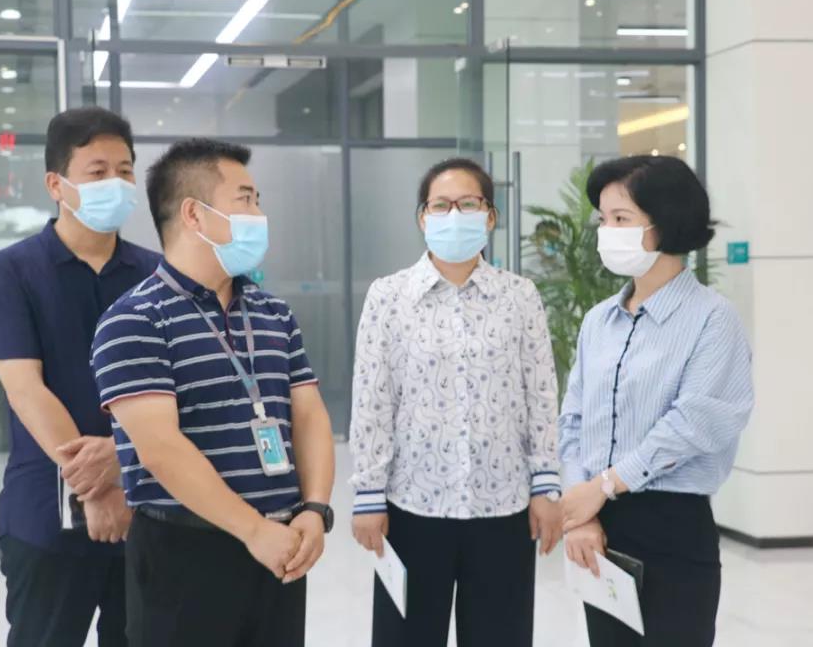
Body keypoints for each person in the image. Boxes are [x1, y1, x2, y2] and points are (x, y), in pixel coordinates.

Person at [90, 138, 335, 647]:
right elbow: (161, 449)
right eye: (245, 199)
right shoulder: (134, 320)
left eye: (258, 200)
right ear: (194, 215)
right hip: (185, 555)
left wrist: (315, 509)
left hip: (281, 547)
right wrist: (253, 531)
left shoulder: (273, 313)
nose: (259, 214)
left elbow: (309, 416)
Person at [350, 157, 562, 647]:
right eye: (441, 205)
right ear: (422, 217)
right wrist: (368, 494)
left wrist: (546, 484)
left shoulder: (520, 296)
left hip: (503, 508)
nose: (454, 215)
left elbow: (541, 393)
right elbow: (373, 398)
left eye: (468, 204)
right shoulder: (388, 297)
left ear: (490, 216)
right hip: (413, 506)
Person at [0, 107, 159, 647]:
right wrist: (94, 491)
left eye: (125, 171)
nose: (116, 183)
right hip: (45, 517)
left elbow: (175, 391)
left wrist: (122, 462)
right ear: (56, 184)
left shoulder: (158, 275)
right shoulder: (11, 271)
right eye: (97, 172)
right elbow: (26, 390)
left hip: (149, 509)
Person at [559, 155, 754, 647]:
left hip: (671, 525)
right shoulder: (598, 321)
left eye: (621, 218)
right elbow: (573, 420)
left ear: (665, 223)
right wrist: (582, 510)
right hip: (597, 525)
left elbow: (694, 422)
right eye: (603, 219)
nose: (606, 231)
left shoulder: (712, 318)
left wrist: (604, 485)